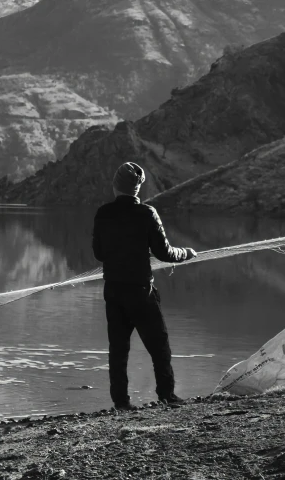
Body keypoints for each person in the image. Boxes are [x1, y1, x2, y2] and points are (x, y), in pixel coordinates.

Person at [92, 162, 197, 410]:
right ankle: (167, 396)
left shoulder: (103, 213)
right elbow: (166, 253)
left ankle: (121, 402)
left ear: (115, 185)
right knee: (159, 345)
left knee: (118, 349)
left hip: (113, 291)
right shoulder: (147, 213)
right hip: (140, 291)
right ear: (138, 189)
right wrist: (188, 253)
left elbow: (98, 253)